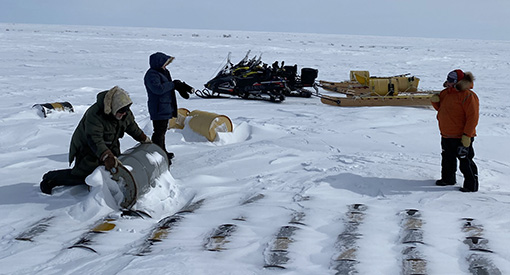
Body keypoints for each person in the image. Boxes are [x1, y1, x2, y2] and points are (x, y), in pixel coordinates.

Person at [39, 86, 151, 194]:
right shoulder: (95, 114)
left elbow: (131, 126)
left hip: (110, 144)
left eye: (126, 111)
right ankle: (51, 178)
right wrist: (106, 156)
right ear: (113, 108)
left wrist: (143, 138)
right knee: (85, 176)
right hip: (88, 147)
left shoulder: (123, 111)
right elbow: (94, 139)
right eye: (121, 111)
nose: (124, 113)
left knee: (115, 170)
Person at [431, 70, 479, 192]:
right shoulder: (445, 93)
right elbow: (441, 109)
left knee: (465, 160)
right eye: (448, 80)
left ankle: (471, 185)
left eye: (451, 81)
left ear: (459, 82)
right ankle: (448, 179)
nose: (448, 83)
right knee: (447, 158)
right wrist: (435, 102)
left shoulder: (468, 96)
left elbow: (472, 117)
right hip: (447, 134)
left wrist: (467, 135)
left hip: (462, 136)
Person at [144, 52, 191, 162]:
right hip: (158, 107)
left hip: (165, 106)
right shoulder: (152, 74)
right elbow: (158, 89)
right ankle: (158, 155)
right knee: (159, 132)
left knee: (162, 131)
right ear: (158, 63)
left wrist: (178, 86)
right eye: (165, 63)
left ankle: (162, 151)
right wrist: (173, 85)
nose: (166, 66)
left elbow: (167, 86)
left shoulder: (163, 72)